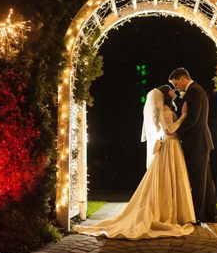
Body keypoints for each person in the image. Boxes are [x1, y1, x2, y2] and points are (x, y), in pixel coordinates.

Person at [76, 85, 196, 239]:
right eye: (171, 90)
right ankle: (166, 213)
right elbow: (170, 130)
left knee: (171, 178)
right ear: (166, 94)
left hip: (172, 146)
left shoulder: (168, 107)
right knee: (167, 177)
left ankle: (173, 212)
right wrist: (184, 115)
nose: (175, 91)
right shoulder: (165, 110)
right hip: (169, 145)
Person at [168, 68, 217, 223]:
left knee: (198, 180)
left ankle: (197, 215)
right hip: (200, 141)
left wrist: (177, 133)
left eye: (176, 84)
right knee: (206, 180)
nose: (176, 88)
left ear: (182, 79)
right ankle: (211, 215)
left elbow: (193, 119)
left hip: (197, 142)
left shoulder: (194, 91)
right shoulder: (194, 91)